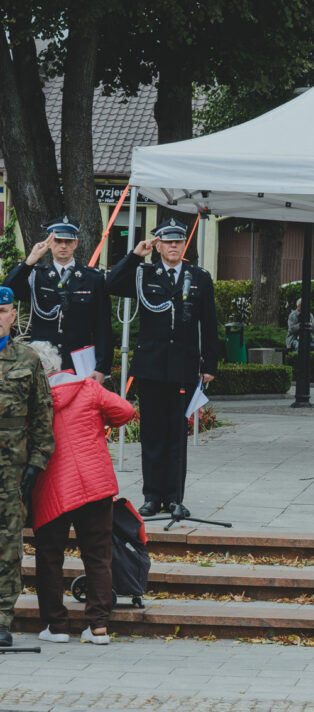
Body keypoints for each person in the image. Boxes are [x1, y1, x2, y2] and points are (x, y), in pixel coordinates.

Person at [106, 218, 218, 517]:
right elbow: (112, 283)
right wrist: (134, 255)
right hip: (151, 367)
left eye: (178, 242)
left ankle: (175, 498)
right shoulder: (144, 273)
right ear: (158, 245)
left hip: (183, 366)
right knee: (153, 434)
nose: (173, 246)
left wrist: (210, 363)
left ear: (184, 245)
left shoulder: (199, 277)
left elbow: (209, 323)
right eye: (167, 241)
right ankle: (152, 496)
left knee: (176, 436)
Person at [26, 341, 135, 645]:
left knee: (49, 557)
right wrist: (102, 422)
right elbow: (126, 410)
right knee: (98, 556)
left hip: (52, 488)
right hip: (96, 484)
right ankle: (98, 626)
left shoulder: (31, 400)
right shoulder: (87, 387)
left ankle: (56, 627)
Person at [0, 287, 55, 648]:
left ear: (13, 314)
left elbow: (42, 416)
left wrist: (36, 463)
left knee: (7, 545)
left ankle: (2, 618)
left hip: (11, 471)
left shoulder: (28, 359)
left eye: (2, 311)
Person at [2, 217, 113, 382]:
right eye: (58, 240)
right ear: (50, 243)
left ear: (75, 243)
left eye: (68, 241)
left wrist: (101, 367)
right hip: (43, 360)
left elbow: (103, 326)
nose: (63, 246)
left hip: (78, 363)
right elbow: (8, 290)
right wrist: (30, 261)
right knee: (42, 407)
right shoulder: (37, 276)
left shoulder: (92, 279)